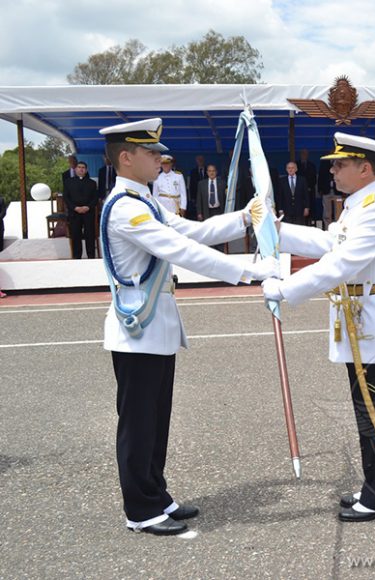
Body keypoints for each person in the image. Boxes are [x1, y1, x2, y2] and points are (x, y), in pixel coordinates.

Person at [98, 118, 279, 535]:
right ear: (126, 158)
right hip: (137, 332)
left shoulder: (145, 201)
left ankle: (156, 495)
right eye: (150, 153)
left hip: (155, 330)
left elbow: (194, 231)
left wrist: (244, 218)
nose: (160, 158)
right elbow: (181, 250)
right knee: (139, 424)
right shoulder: (125, 207)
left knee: (157, 421)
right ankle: (140, 511)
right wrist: (250, 271)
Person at [261, 132, 375, 522]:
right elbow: (329, 241)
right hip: (366, 320)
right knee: (365, 407)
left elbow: (340, 264)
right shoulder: (363, 203)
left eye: (340, 164)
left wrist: (285, 289)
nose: (333, 170)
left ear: (365, 168)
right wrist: (276, 231)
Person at [65, 161, 99, 259]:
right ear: (75, 169)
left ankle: (91, 257)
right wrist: (75, 208)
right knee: (76, 235)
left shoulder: (92, 183)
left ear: (86, 170)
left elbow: (95, 198)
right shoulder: (68, 182)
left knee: (90, 235)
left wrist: (87, 207)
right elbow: (66, 198)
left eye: (83, 167)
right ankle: (77, 257)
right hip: (74, 213)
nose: (81, 169)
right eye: (79, 167)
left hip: (88, 212)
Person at [277, 161, 310, 225]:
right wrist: (280, 209)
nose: (290, 169)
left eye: (292, 168)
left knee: (299, 229)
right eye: (289, 168)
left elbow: (306, 195)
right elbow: (280, 196)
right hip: (286, 211)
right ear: (286, 169)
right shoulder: (282, 181)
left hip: (299, 210)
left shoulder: (302, 180)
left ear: (296, 169)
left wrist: (307, 207)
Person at [187, 155, 208, 220]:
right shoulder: (193, 171)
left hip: (207, 195)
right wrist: (192, 198)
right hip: (196, 196)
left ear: (204, 160)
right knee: (198, 212)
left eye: (201, 159)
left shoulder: (208, 170)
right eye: (198, 160)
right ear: (196, 161)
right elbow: (191, 185)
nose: (200, 161)